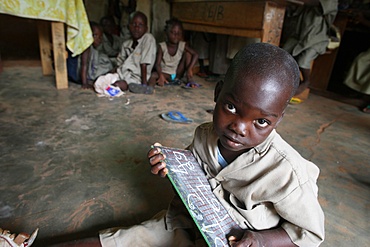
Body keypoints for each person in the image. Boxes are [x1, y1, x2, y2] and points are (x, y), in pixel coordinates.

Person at [31, 43, 324, 247]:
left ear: (278, 120)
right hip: (188, 225)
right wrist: (174, 169)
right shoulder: (204, 135)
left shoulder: (287, 174)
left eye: (261, 122)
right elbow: (196, 173)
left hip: (242, 243)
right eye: (232, 107)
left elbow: (309, 235)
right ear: (218, 93)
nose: (239, 127)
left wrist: (261, 240)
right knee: (124, 239)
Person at [282, 0, 338, 97]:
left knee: (303, 61)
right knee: (283, 56)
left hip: (316, 39)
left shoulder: (332, 1)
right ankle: (295, 81)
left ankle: (306, 81)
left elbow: (316, 4)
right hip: (299, 37)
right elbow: (295, 11)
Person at [112, 11, 157, 94]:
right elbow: (119, 63)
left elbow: (144, 63)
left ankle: (133, 86)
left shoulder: (148, 38)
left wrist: (144, 85)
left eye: (140, 25)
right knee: (102, 80)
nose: (136, 28)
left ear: (146, 28)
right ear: (129, 26)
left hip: (137, 78)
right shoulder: (126, 44)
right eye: (134, 24)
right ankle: (114, 86)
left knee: (119, 84)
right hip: (122, 74)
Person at [149, 17, 199, 87]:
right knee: (153, 75)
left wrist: (189, 68)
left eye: (179, 33)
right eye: (173, 32)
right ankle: (149, 88)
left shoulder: (182, 45)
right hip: (165, 74)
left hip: (178, 74)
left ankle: (189, 79)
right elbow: (157, 64)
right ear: (166, 33)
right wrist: (160, 75)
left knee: (188, 54)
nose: (176, 36)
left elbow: (195, 54)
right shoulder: (162, 46)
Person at [67, 22, 113, 89]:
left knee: (105, 60)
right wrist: (85, 83)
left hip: (76, 74)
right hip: (77, 75)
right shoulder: (86, 47)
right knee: (107, 65)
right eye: (95, 36)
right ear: (88, 36)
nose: (99, 39)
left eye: (100, 36)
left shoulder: (86, 46)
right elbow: (84, 65)